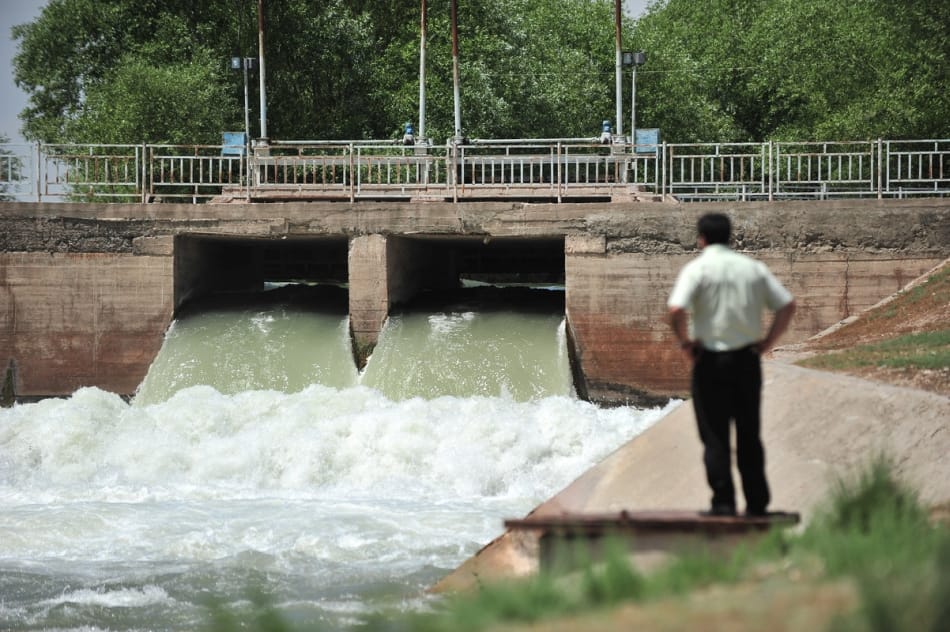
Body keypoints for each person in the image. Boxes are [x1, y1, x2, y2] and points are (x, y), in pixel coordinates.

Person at [666, 213, 796, 517]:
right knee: (749, 433)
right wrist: (767, 341)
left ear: (701, 238)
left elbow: (675, 310)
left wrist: (684, 342)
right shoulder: (752, 269)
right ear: (730, 236)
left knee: (715, 435)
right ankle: (757, 505)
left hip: (710, 361)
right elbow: (787, 305)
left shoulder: (697, 269)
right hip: (747, 361)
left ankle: (723, 503)